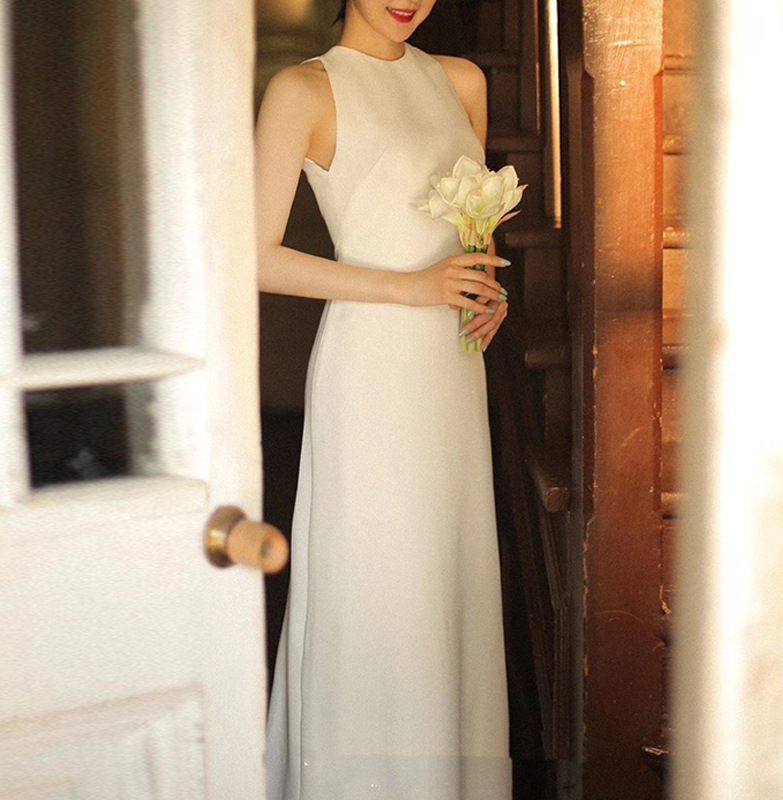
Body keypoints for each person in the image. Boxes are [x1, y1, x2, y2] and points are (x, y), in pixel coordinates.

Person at [255, 1, 512, 797]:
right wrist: (409, 289)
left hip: (451, 371)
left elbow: (468, 237)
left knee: (447, 584)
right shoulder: (304, 89)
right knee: (381, 577)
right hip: (370, 372)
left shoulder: (462, 81)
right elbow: (250, 256)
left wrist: (486, 288)